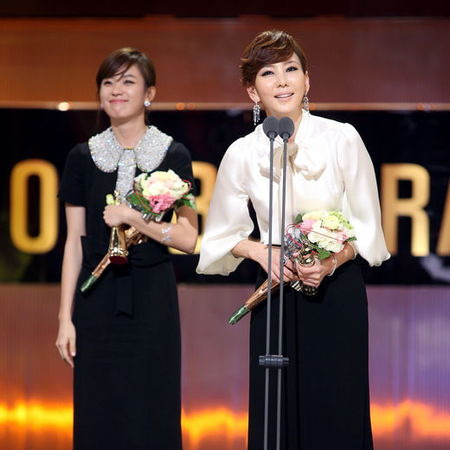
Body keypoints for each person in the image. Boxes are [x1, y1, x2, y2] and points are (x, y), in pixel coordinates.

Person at [197, 30, 390, 450]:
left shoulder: (342, 138)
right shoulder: (242, 152)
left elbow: (368, 228)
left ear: (307, 80)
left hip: (336, 292)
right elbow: (220, 236)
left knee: (336, 411)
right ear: (252, 91)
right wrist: (259, 251)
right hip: (277, 294)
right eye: (268, 73)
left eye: (291, 69)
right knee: (277, 415)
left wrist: (331, 261)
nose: (282, 81)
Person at [56, 47, 198, 450]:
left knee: (152, 411)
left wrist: (135, 219)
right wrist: (65, 318)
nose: (116, 90)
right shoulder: (81, 157)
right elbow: (74, 242)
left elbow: (188, 239)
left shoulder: (174, 154)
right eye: (108, 82)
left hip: (152, 301)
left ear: (149, 94)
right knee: (97, 413)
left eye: (128, 81)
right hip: (95, 302)